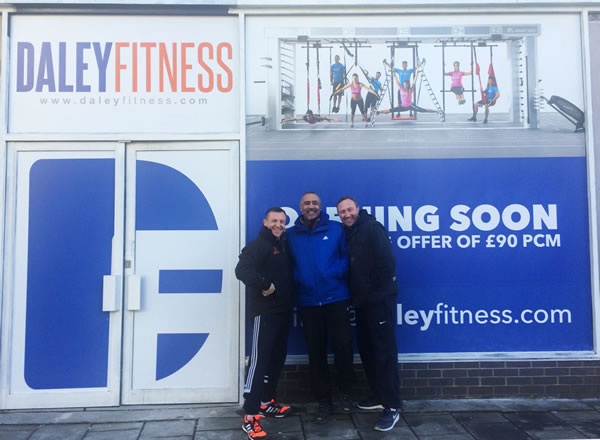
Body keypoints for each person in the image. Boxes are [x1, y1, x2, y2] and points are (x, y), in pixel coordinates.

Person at [286, 192, 354, 424]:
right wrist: (299, 278)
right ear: (300, 207)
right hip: (308, 302)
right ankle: (324, 401)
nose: (311, 206)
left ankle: (346, 394)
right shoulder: (291, 235)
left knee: (343, 347)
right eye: (307, 203)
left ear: (320, 206)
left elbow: (347, 258)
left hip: (336, 298)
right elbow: (288, 264)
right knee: (316, 353)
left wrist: (334, 273)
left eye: (315, 203)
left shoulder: (336, 229)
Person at [336, 196, 401, 432]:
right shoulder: (348, 233)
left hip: (379, 301)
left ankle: (392, 406)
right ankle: (378, 395)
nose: (346, 214)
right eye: (342, 212)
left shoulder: (372, 228)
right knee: (368, 350)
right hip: (362, 304)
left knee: (384, 353)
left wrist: (374, 295)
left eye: (349, 209)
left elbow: (387, 263)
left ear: (358, 209)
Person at [235, 207, 295, 440]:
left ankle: (266, 402)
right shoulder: (259, 244)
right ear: (265, 222)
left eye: (282, 221)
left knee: (276, 359)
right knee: (259, 362)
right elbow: (242, 270)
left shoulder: (282, 245)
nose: (278, 224)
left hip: (282, 312)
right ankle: (250, 416)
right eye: (274, 221)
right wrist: (264, 283)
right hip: (265, 313)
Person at [378, 69, 443, 119]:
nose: (405, 85)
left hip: (410, 106)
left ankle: (438, 111)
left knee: (423, 110)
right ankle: (378, 112)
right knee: (390, 110)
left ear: (408, 85)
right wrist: (394, 73)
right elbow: (396, 81)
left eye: (406, 84)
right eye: (404, 84)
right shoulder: (401, 89)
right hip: (402, 107)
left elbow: (415, 81)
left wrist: (417, 74)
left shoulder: (410, 90)